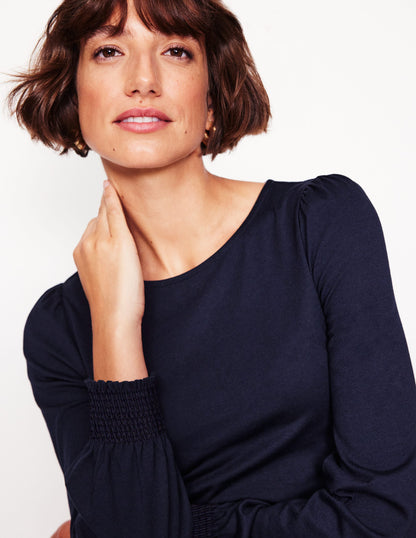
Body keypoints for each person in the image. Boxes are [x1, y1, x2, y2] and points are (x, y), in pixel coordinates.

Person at [9, 0, 416, 536]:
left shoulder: (320, 224)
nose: (143, 80)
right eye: (109, 51)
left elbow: (386, 518)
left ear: (211, 101)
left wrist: (157, 527)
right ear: (73, 98)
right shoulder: (58, 328)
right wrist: (113, 325)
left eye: (176, 51)